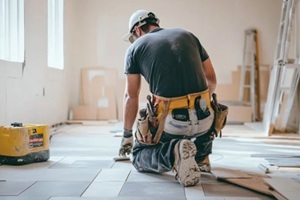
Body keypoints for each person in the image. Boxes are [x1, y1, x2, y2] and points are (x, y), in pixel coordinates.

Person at [119, 9, 217, 187]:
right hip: (205, 121)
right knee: (208, 113)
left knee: (139, 155)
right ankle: (201, 156)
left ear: (137, 30)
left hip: (173, 123)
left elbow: (131, 96)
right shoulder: (188, 35)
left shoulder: (134, 48)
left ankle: (174, 153)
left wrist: (127, 135)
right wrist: (197, 107)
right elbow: (211, 80)